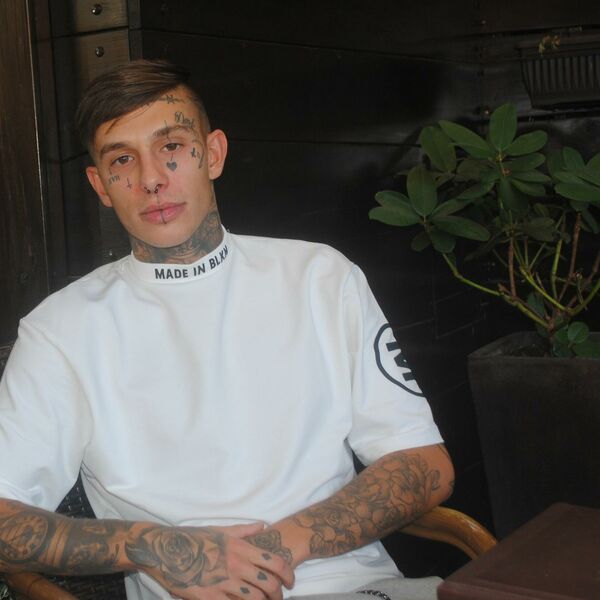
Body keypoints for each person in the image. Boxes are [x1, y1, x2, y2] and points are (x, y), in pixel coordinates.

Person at [0, 59, 454, 600]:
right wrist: (155, 547)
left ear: (213, 153)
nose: (151, 179)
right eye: (122, 159)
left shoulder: (319, 277)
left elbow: (424, 464)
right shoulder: (60, 329)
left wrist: (274, 550)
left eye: (172, 147)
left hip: (359, 587)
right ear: (101, 185)